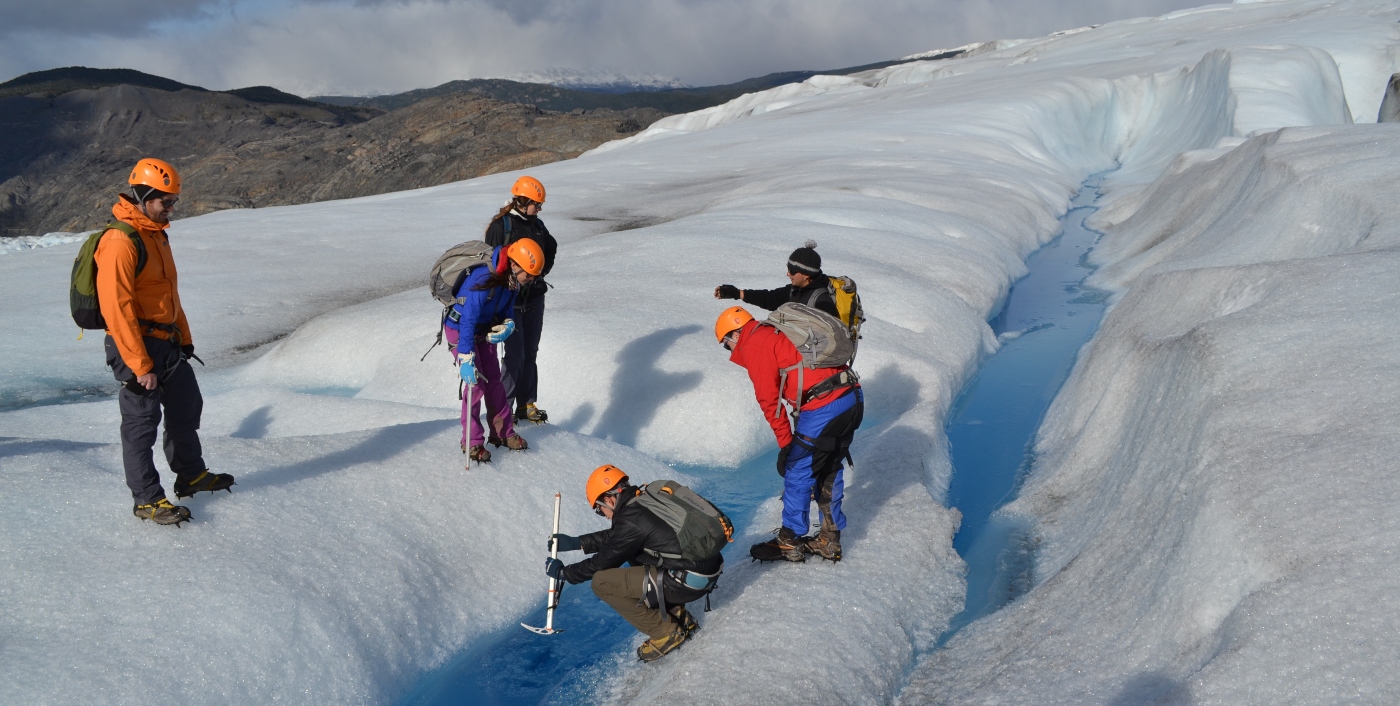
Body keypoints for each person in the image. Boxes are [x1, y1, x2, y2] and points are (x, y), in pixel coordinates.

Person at [97, 158, 233, 526]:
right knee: (142, 422)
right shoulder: (120, 241)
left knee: (186, 406)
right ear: (142, 196)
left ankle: (190, 475)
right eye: (165, 202)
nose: (171, 209)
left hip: (166, 341)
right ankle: (147, 499)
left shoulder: (155, 234)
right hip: (134, 345)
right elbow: (117, 309)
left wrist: (184, 340)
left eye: (174, 201)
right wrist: (139, 364)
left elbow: (168, 295)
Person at [714, 306, 863, 562]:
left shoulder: (755, 343)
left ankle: (789, 540)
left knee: (797, 469)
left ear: (735, 334)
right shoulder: (777, 332)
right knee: (829, 465)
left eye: (726, 344)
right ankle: (829, 538)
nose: (729, 350)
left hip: (824, 404)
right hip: (851, 396)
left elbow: (769, 401)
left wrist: (786, 446)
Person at [545, 465, 724, 662]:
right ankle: (678, 615)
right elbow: (618, 537)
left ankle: (666, 632)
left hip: (688, 581)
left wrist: (564, 573)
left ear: (608, 499)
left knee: (601, 582)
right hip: (705, 571)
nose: (603, 515)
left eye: (599, 509)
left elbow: (600, 563)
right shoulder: (642, 501)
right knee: (637, 554)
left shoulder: (632, 519)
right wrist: (577, 542)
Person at [444, 236, 545, 464]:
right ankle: (471, 442)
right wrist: (466, 356)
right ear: (516, 264)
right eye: (529, 275)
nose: (530, 280)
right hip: (462, 331)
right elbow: (468, 319)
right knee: (475, 384)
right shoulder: (484, 277)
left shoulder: (512, 281)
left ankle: (502, 433)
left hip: (483, 331)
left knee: (494, 381)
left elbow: (507, 309)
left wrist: (507, 324)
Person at [484, 176, 557, 425]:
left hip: (534, 298)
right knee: (515, 354)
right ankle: (503, 409)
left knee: (530, 352)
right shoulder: (501, 226)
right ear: (523, 201)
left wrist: (538, 275)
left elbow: (551, 247)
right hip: (510, 302)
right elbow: (489, 263)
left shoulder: (537, 225)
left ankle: (526, 404)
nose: (539, 209)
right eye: (536, 204)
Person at [714, 240, 838, 319]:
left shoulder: (822, 302)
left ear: (806, 275)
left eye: (793, 271)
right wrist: (737, 293)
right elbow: (769, 298)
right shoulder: (796, 290)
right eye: (788, 268)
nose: (788, 274)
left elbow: (830, 338)